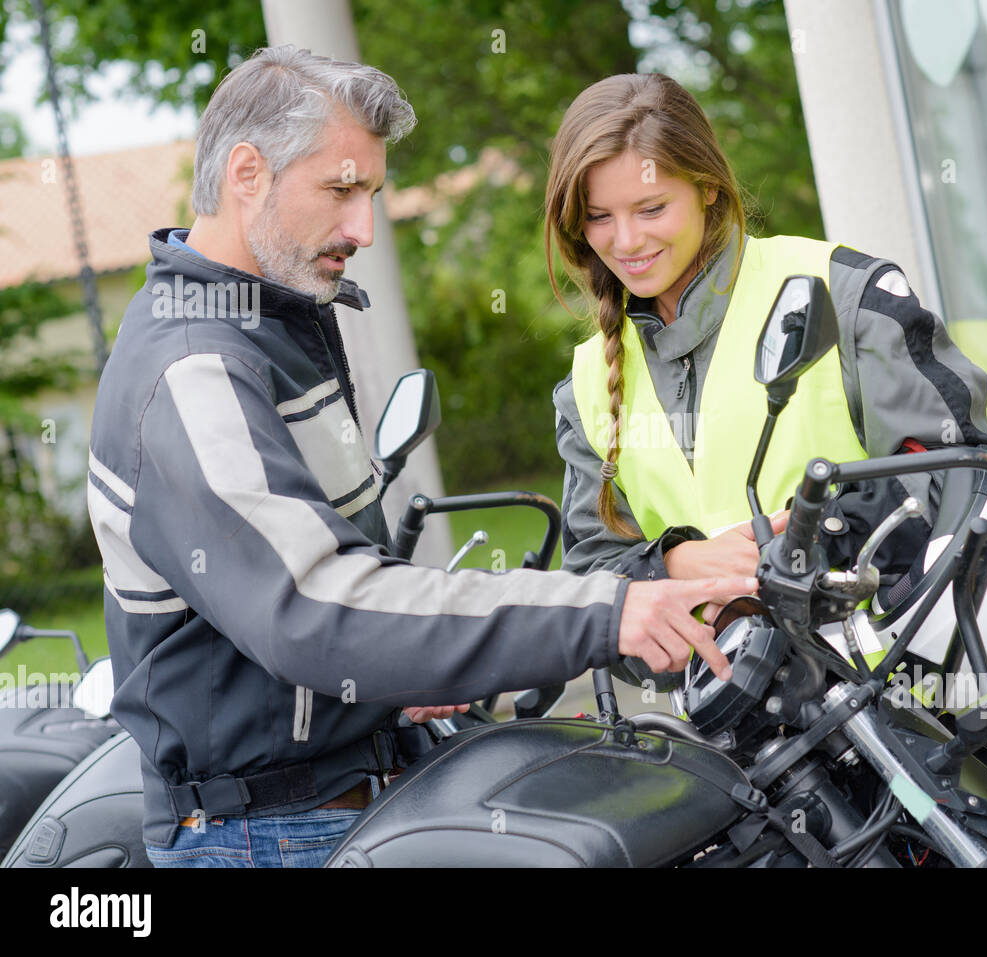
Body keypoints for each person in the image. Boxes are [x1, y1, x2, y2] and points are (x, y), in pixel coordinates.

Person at [86, 47, 751, 868]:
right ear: (247, 173)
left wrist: (395, 678)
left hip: (344, 794)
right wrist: (613, 610)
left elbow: (333, 588)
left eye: (370, 191)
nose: (364, 228)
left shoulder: (273, 328)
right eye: (340, 189)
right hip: (269, 834)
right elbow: (318, 606)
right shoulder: (192, 368)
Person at [545, 73, 987, 686]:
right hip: (729, 744)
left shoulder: (845, 293)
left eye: (651, 208)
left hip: (905, 707)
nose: (626, 241)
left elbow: (966, 472)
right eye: (600, 217)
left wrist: (801, 549)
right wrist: (675, 564)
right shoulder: (583, 385)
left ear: (709, 186)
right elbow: (591, 593)